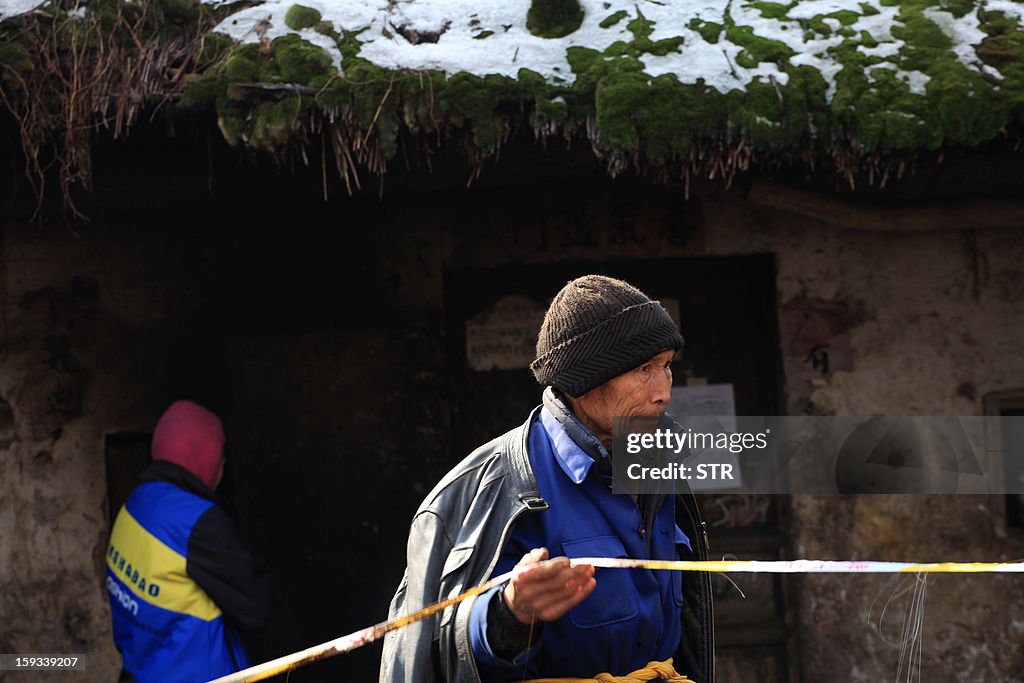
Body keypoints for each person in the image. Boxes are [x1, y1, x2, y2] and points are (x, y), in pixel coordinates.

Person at [381, 275, 714, 683]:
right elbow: (431, 644)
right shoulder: (487, 489)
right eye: (644, 368)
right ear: (584, 381)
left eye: (666, 366)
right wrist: (510, 613)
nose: (663, 390)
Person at [105, 400, 271, 683]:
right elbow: (257, 608)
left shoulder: (134, 504)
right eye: (220, 457)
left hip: (140, 671)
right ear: (204, 457)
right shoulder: (198, 522)